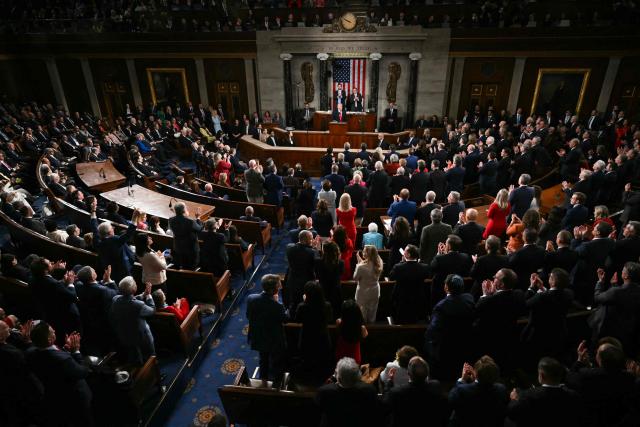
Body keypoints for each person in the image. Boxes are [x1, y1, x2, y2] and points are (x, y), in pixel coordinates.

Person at [27, 322, 93, 427]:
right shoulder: (63, 360)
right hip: (75, 398)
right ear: (49, 340)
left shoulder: (31, 353)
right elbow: (82, 372)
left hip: (56, 397)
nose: (54, 331)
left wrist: (65, 349)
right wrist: (76, 351)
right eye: (52, 331)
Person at [424, 274, 475, 379]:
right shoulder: (469, 299)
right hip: (465, 342)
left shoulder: (441, 306)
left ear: (446, 287)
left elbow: (432, 330)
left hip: (446, 346)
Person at [508, 357, 584, 427]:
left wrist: (514, 399)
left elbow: (512, 412)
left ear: (541, 375)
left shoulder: (527, 396)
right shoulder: (574, 395)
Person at [474, 268, 526, 371]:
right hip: (511, 334)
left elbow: (476, 311)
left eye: (496, 277)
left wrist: (485, 295)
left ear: (502, 284)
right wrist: (494, 294)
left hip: (491, 338)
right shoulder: (519, 294)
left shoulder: (489, 300)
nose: (493, 278)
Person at [522, 268, 575, 362]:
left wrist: (531, 287)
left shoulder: (541, 297)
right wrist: (542, 288)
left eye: (550, 277)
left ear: (553, 281)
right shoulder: (569, 294)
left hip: (540, 335)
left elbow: (525, 305)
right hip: (559, 332)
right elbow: (552, 296)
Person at [246, 274, 287, 386]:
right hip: (274, 340)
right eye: (278, 286)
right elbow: (285, 319)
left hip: (258, 336)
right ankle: (276, 385)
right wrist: (277, 302)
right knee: (276, 361)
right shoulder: (278, 306)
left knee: (263, 358)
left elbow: (248, 316)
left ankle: (263, 381)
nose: (279, 288)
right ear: (274, 290)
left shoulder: (251, 298)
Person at [591, 262, 640, 356]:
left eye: (623, 271)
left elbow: (597, 297)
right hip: (631, 330)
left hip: (611, 331)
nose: (621, 272)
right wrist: (614, 286)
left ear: (625, 276)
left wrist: (600, 281)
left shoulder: (616, 292)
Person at [383, 356, 448, 427]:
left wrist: (389, 382)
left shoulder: (396, 393)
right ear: (427, 373)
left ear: (408, 373)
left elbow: (384, 406)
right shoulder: (436, 386)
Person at [29, 257, 81, 344]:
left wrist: (61, 280)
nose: (52, 263)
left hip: (47, 313)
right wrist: (71, 284)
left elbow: (49, 286)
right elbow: (72, 297)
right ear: (45, 270)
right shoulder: (54, 284)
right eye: (50, 263)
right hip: (65, 316)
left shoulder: (32, 279)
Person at [315, 357, 378, 427]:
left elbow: (318, 410)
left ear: (337, 376)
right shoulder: (369, 390)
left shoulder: (325, 391)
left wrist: (333, 377)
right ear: (358, 375)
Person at [448, 356, 509, 427]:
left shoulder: (462, 390)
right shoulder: (501, 389)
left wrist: (462, 379)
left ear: (476, 372)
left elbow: (451, 399)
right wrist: (476, 379)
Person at [110, 276, 156, 365]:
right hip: (142, 336)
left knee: (134, 355)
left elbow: (130, 300)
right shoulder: (139, 305)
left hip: (125, 333)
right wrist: (149, 296)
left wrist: (143, 295)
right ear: (133, 289)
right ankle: (152, 373)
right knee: (149, 355)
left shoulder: (115, 299)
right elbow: (152, 310)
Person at [294, 281, 334, 383]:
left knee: (308, 359)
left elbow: (297, 320)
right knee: (321, 358)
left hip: (307, 337)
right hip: (323, 336)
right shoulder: (327, 305)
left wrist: (304, 302)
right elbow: (330, 319)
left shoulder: (302, 306)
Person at [390, 244, 431, 324]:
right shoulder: (424, 267)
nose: (403, 252)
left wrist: (402, 262)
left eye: (405, 251)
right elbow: (427, 275)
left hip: (401, 298)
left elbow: (391, 277)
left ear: (408, 254)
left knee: (401, 320)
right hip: (418, 298)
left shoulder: (398, 267)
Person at [94, 217, 136, 283]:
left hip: (110, 271)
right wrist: (134, 219)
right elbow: (128, 234)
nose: (113, 228)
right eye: (112, 228)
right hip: (123, 271)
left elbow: (95, 230)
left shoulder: (98, 243)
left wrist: (93, 214)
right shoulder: (115, 240)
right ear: (110, 232)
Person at [285, 230, 318, 314]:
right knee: (305, 303)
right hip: (306, 282)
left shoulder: (289, 248)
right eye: (311, 239)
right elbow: (317, 263)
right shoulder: (311, 252)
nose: (312, 241)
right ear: (305, 240)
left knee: (294, 302)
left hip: (292, 280)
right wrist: (314, 248)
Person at [353, 245, 383, 323]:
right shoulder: (379, 262)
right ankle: (372, 329)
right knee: (373, 312)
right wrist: (361, 262)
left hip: (363, 292)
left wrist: (358, 264)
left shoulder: (361, 267)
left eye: (364, 251)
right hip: (375, 291)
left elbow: (355, 279)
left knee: (362, 313)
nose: (362, 252)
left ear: (368, 254)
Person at [168, 202, 203, 270]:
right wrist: (198, 218)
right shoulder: (190, 221)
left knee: (183, 265)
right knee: (191, 267)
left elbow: (178, 220)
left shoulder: (171, 220)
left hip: (178, 247)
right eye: (186, 207)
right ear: (184, 210)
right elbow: (199, 229)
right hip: (191, 249)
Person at [335, 300, 368, 364]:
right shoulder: (361, 328)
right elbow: (365, 335)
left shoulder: (339, 322)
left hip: (341, 358)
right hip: (355, 359)